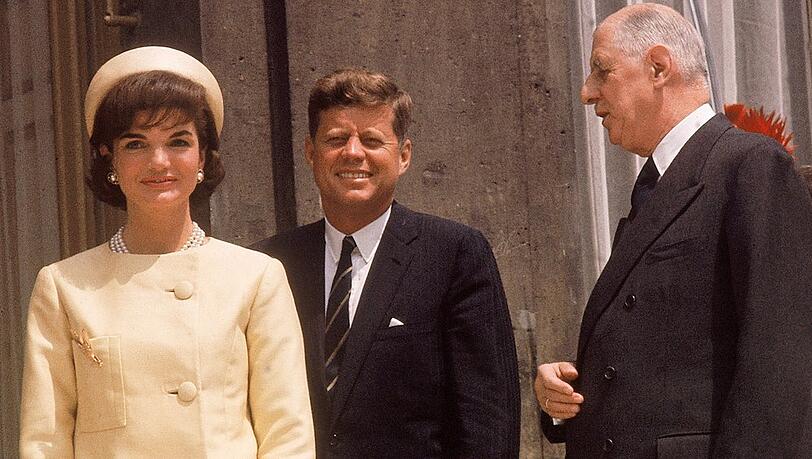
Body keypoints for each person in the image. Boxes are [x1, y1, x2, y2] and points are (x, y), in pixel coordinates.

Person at [534, 4, 812, 458]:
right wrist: (565, 397)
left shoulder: (750, 165)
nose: (588, 93)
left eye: (602, 71)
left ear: (659, 67)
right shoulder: (656, 183)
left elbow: (781, 365)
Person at [20, 46, 315, 458]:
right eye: (136, 144)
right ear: (110, 158)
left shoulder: (255, 278)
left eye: (178, 141)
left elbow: (288, 436)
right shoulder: (64, 286)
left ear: (202, 157)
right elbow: (44, 442)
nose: (159, 162)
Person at [251, 68, 520, 457]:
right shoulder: (269, 263)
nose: (353, 153)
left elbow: (487, 418)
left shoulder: (454, 255)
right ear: (310, 152)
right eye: (336, 139)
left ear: (404, 155)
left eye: (372, 140)